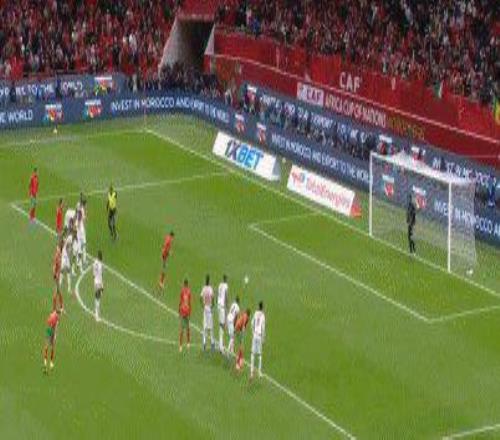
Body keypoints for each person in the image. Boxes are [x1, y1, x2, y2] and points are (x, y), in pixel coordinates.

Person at [250, 302, 266, 379]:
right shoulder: (263, 315)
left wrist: (253, 332)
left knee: (253, 353)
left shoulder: (255, 313)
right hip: (259, 336)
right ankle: (259, 373)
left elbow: (252, 323)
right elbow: (263, 327)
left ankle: (251, 372)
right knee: (259, 355)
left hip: (254, 335)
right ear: (262, 307)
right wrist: (263, 337)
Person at [200, 275, 215, 352]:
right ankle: (212, 344)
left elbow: (200, 297)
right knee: (211, 327)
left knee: (205, 327)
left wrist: (202, 305)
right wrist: (213, 305)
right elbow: (213, 297)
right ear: (209, 281)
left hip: (205, 308)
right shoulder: (210, 289)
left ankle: (204, 344)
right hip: (209, 308)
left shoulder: (203, 288)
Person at [179, 279, 192, 352]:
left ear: (184, 284)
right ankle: (188, 343)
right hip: (187, 311)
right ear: (188, 284)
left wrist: (179, 311)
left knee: (181, 329)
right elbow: (189, 303)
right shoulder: (189, 292)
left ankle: (180, 346)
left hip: (182, 311)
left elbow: (180, 302)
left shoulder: (182, 291)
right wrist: (190, 312)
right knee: (188, 328)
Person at [60, 229, 75, 295]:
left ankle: (67, 288)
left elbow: (66, 245)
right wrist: (68, 254)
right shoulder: (70, 238)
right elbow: (67, 247)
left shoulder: (70, 237)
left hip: (65, 256)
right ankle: (67, 288)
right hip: (65, 257)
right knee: (65, 271)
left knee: (65, 271)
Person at [217, 274, 228, 352]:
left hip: (218, 305)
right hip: (222, 307)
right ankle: (221, 347)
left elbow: (218, 294)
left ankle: (220, 344)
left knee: (221, 325)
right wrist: (227, 305)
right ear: (225, 279)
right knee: (223, 325)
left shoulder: (220, 285)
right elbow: (226, 296)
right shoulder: (225, 286)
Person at [52, 240, 63, 312]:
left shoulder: (59, 256)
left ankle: (60, 308)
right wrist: (54, 274)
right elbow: (54, 266)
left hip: (58, 276)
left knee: (58, 292)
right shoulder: (58, 256)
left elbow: (56, 266)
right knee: (57, 292)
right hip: (58, 277)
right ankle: (56, 309)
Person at [93, 251, 104, 322]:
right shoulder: (100, 264)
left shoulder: (95, 262)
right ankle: (96, 316)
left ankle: (96, 314)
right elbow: (101, 274)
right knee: (98, 298)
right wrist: (102, 285)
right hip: (99, 282)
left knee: (97, 298)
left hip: (95, 281)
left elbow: (93, 274)